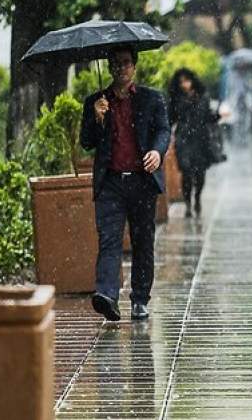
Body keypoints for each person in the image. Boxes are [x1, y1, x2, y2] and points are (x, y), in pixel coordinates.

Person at [80, 46, 170, 322]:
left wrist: (157, 151)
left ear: (134, 66)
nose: (121, 68)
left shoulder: (151, 99)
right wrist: (97, 118)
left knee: (143, 242)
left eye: (126, 63)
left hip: (142, 181)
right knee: (109, 241)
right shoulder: (96, 102)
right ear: (109, 68)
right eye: (116, 64)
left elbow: (163, 130)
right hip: (111, 184)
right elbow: (86, 143)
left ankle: (140, 299)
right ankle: (107, 295)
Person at [167, 68, 220, 218]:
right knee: (186, 172)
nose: (185, 84)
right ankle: (188, 204)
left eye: (187, 80)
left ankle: (197, 198)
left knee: (200, 174)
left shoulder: (203, 96)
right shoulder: (176, 98)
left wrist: (219, 115)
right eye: (182, 82)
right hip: (183, 139)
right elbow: (170, 119)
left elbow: (208, 116)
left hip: (201, 139)